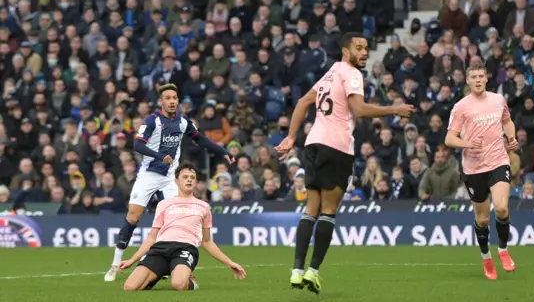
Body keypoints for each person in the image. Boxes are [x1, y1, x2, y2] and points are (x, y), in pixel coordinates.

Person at [274, 32, 415, 294]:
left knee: (310, 209)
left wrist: (292, 137)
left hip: (313, 144)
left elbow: (304, 102)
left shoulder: (330, 73)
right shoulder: (351, 74)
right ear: (345, 52)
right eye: (358, 47)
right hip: (337, 147)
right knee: (328, 211)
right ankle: (313, 272)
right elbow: (359, 110)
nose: (364, 52)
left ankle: (295, 270)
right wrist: (394, 109)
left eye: (366, 48)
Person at [104, 83, 236, 282]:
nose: (172, 101)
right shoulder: (152, 121)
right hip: (149, 174)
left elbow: (200, 139)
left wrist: (223, 151)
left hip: (169, 177)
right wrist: (159, 156)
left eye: (175, 97)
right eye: (168, 98)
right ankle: (115, 264)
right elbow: (138, 144)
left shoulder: (183, 122)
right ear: (161, 101)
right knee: (133, 216)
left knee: (177, 219)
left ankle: (178, 266)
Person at [118, 162, 246, 291]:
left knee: (178, 285)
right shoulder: (164, 204)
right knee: (130, 287)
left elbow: (207, 241)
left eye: (192, 177)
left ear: (195, 182)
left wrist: (230, 263)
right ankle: (157, 274)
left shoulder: (204, 207)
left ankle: (190, 281)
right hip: (160, 249)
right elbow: (152, 237)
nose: (189, 179)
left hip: (185, 248)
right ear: (177, 181)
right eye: (185, 177)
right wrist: (132, 260)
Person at [444, 65, 518, 280]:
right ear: (467, 81)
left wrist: (511, 137)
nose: (477, 80)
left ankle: (503, 250)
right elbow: (449, 139)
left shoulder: (498, 100)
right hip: (474, 168)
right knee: (483, 219)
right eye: (473, 77)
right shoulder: (461, 107)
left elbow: (507, 121)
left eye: (481, 76)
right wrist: (467, 143)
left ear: (486, 78)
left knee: (502, 208)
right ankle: (486, 257)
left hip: (498, 161)